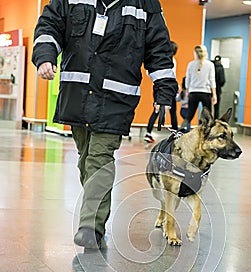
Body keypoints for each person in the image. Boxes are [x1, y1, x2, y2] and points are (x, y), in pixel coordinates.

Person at [32, 0, 178, 250]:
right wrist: (45, 56)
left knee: (99, 157)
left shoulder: (146, 5)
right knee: (86, 158)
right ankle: (96, 217)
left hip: (116, 98)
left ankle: (90, 227)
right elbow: (50, 25)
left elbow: (159, 49)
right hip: (77, 95)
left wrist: (164, 92)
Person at [144, 41, 178, 143]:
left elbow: (148, 71)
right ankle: (175, 133)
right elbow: (172, 76)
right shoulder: (172, 60)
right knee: (172, 111)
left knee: (156, 110)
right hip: (168, 88)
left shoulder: (158, 59)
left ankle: (148, 133)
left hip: (157, 87)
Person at [181, 45, 217, 129]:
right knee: (208, 116)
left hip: (193, 93)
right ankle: (207, 133)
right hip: (206, 93)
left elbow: (187, 80)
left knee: (189, 115)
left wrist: (187, 92)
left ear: (195, 53)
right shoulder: (210, 64)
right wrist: (214, 95)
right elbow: (212, 80)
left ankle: (180, 131)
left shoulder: (190, 64)